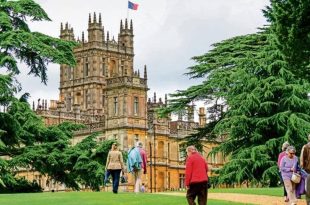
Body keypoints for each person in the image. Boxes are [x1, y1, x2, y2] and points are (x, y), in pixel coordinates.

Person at [300, 134, 310, 204]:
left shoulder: (305, 147)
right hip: (308, 171)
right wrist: (302, 168)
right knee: (308, 188)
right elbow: (302, 159)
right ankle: (308, 202)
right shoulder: (306, 147)